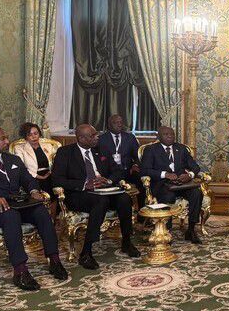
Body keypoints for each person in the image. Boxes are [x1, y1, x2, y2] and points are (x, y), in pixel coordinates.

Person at [0, 127, 67, 290]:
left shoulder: (13, 159)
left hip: (17, 204)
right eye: (2, 139)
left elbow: (28, 179)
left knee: (41, 212)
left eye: (6, 138)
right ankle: (20, 270)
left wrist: (34, 191)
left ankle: (54, 260)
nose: (7, 141)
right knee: (11, 216)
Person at [52, 124, 139, 269]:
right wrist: (85, 184)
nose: (97, 137)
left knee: (124, 198)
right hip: (79, 194)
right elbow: (57, 180)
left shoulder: (101, 150)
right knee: (101, 201)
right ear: (81, 138)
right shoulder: (65, 152)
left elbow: (118, 171)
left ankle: (126, 241)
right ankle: (86, 252)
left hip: (103, 190)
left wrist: (108, 180)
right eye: (92, 135)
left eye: (96, 134)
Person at [140, 125, 203, 244]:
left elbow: (195, 167)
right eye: (166, 134)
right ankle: (166, 230)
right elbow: (145, 170)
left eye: (172, 134)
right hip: (162, 184)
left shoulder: (181, 149)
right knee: (168, 196)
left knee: (197, 193)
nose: (170, 136)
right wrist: (165, 174)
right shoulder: (151, 149)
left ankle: (191, 230)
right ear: (158, 136)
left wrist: (189, 175)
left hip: (181, 184)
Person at [97, 114, 144, 210]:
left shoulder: (130, 137)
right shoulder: (101, 139)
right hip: (109, 173)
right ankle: (112, 209)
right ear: (109, 125)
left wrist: (135, 165)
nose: (119, 125)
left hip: (128, 171)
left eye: (121, 122)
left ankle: (141, 210)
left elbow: (137, 156)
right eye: (116, 123)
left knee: (141, 179)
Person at [11, 122, 55, 195]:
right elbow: (21, 167)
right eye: (30, 135)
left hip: (49, 174)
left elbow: (55, 162)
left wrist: (51, 172)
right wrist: (39, 176)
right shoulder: (19, 148)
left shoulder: (48, 145)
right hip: (32, 176)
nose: (34, 137)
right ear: (25, 137)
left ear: (39, 134)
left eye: (35, 133)